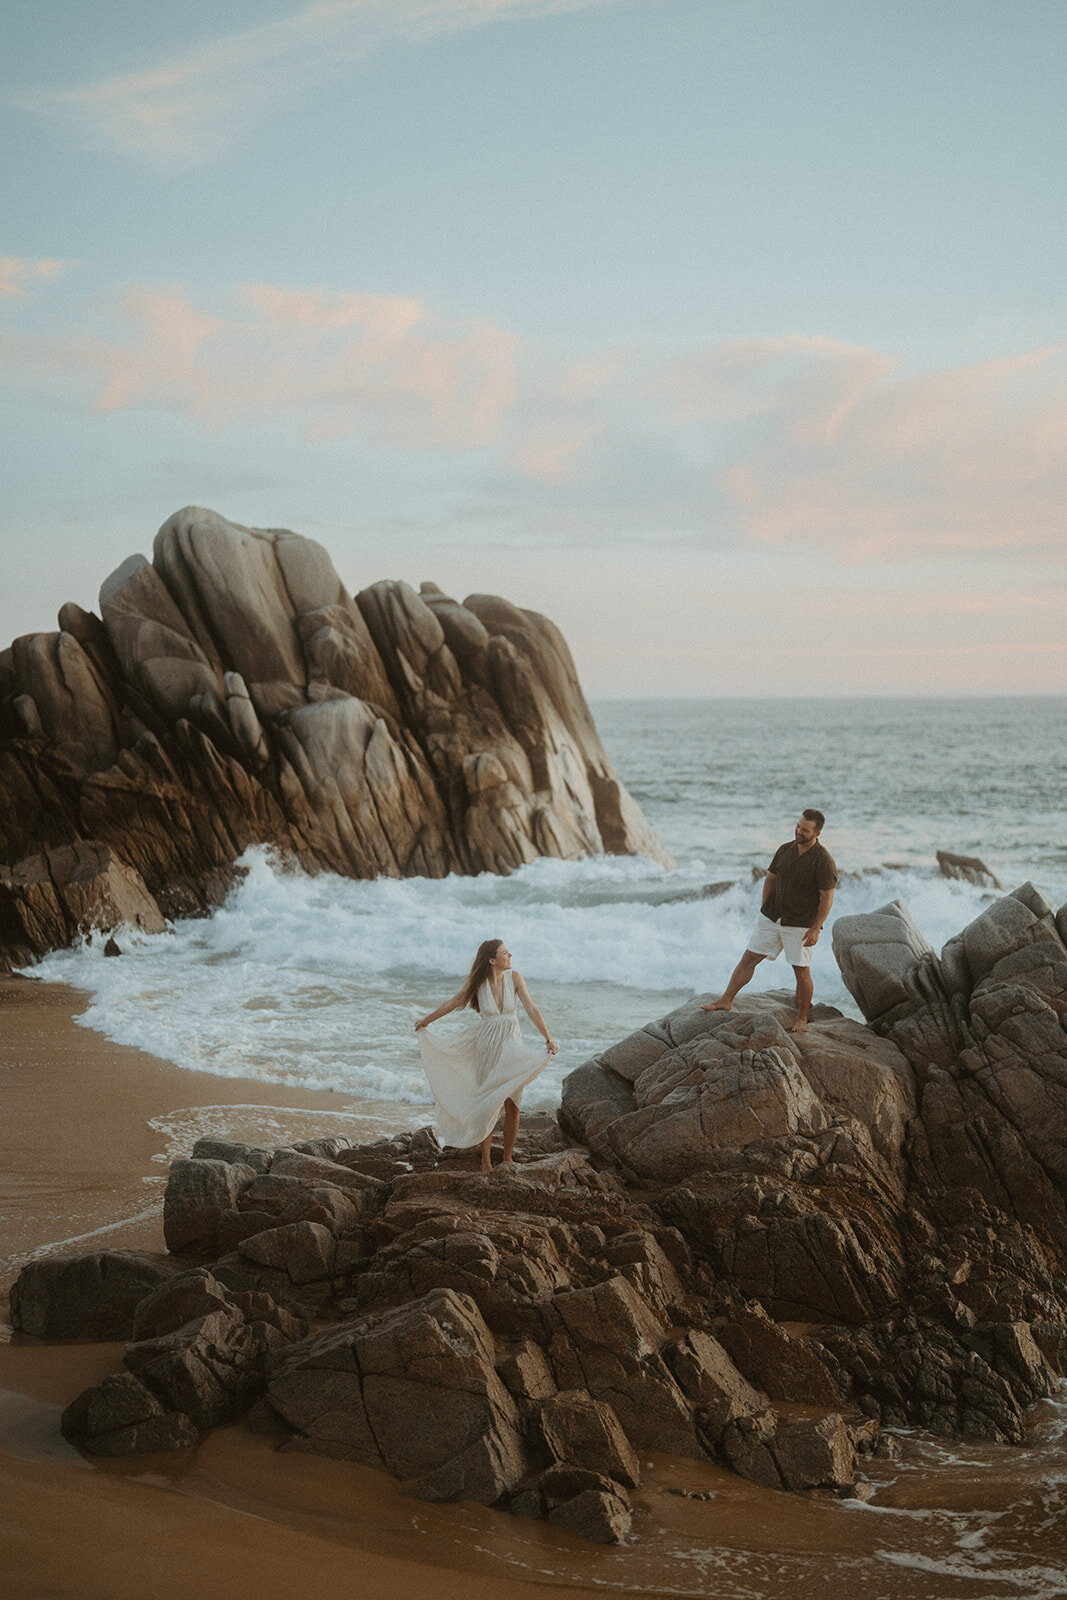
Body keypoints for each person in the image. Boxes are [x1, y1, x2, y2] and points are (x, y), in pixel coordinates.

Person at [415, 939, 558, 1172]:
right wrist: (425, 1021)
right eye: (505, 953)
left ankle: (508, 1159)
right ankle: (486, 1161)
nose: (510, 955)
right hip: (487, 1049)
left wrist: (548, 1038)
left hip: (512, 1048)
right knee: (488, 1105)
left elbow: (532, 1009)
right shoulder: (477, 984)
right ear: (492, 960)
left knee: (513, 1106)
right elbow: (453, 1002)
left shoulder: (516, 979)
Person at [702, 809, 837, 1033]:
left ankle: (802, 1018)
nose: (798, 831)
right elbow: (771, 878)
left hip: (800, 923)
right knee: (749, 958)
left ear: (818, 832)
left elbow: (827, 897)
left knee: (801, 970)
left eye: (805, 830)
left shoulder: (823, 860)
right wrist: (765, 907)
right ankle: (725, 1000)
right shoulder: (785, 849)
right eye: (798, 826)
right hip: (773, 916)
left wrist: (815, 928)